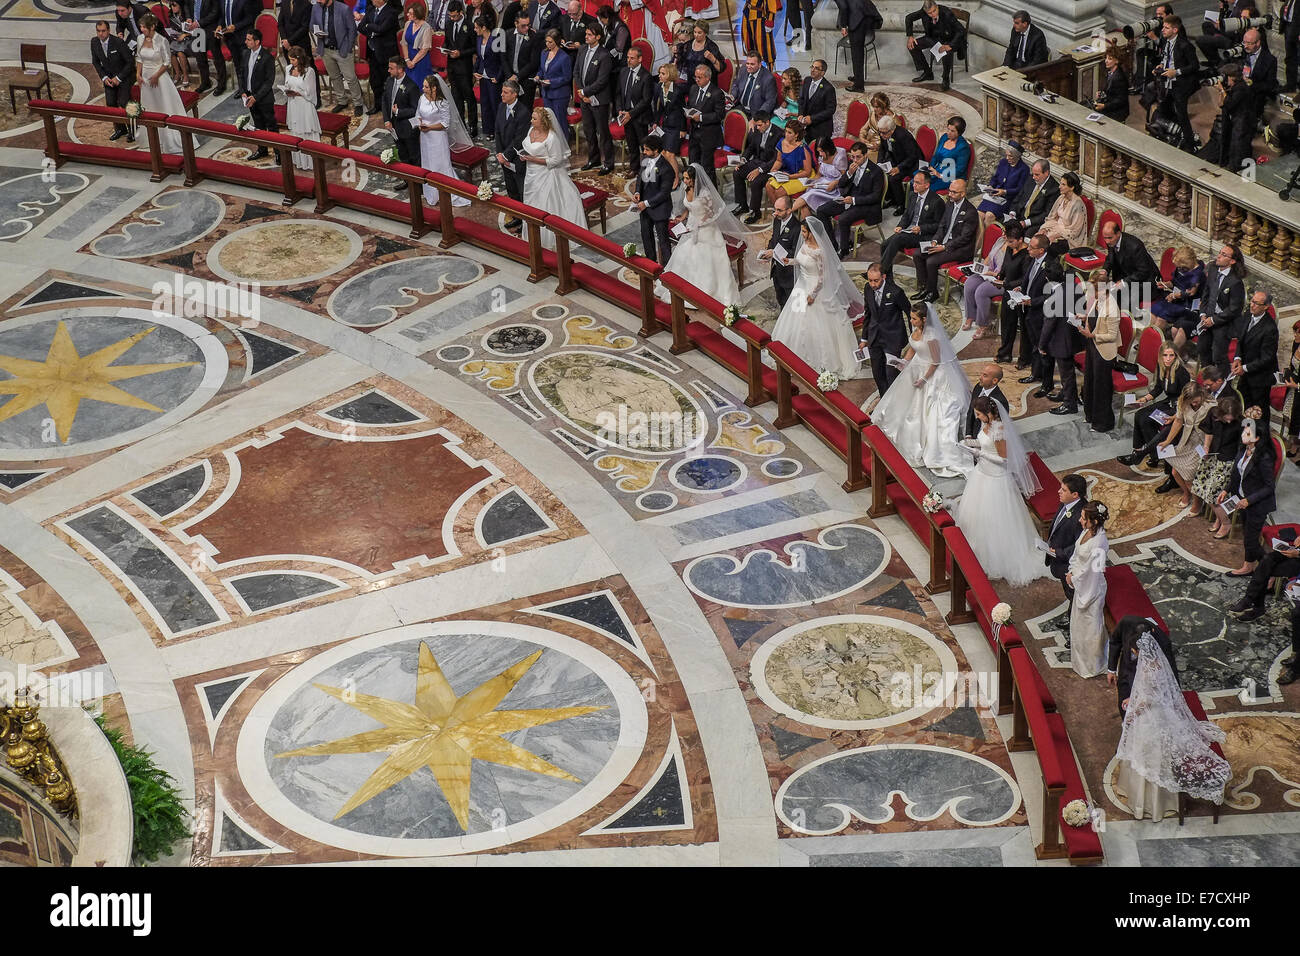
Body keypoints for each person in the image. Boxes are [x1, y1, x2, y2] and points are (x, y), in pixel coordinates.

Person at [1112, 629, 1228, 821]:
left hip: (1152, 718)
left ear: (1137, 650)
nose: (1133, 653)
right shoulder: (1158, 664)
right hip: (1162, 713)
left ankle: (1149, 804)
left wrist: (1132, 711)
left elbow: (1148, 700)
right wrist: (1132, 699)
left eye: (1133, 650)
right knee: (1158, 758)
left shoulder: (1148, 670)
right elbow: (1152, 693)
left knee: (1149, 757)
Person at [952, 396, 1049, 587]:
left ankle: (995, 554)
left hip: (996, 477)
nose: (977, 417)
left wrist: (980, 454)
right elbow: (985, 443)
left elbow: (1004, 460)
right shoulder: (986, 425)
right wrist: (971, 445)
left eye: (979, 414)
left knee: (995, 516)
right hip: (982, 473)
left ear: (989, 414)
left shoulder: (999, 431)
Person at [870, 302, 971, 477]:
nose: (911, 320)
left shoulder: (932, 336)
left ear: (924, 319)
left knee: (923, 409)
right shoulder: (916, 329)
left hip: (932, 374)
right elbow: (913, 348)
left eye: (914, 318)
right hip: (916, 366)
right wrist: (903, 362)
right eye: (911, 317)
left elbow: (936, 361)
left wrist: (924, 379)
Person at [768, 218, 862, 380]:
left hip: (816, 291)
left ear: (812, 233)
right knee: (796, 321)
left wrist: (813, 294)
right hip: (801, 286)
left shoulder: (820, 252)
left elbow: (822, 277)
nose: (802, 234)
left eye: (805, 231)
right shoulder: (805, 244)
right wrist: (789, 261)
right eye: (803, 231)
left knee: (818, 325)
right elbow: (801, 260)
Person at [659, 163, 745, 304]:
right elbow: (689, 207)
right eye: (684, 178)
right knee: (684, 253)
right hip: (691, 226)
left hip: (707, 230)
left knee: (703, 257)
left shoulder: (705, 194)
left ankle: (706, 292)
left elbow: (711, 214)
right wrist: (683, 217)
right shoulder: (686, 188)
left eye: (687, 178)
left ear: (695, 179)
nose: (684, 181)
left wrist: (699, 225)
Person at [1215, 415, 1277, 571]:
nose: (1243, 435)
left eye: (1247, 434)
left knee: (1250, 541)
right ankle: (1248, 566)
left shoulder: (1264, 458)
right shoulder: (1243, 449)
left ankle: (1269, 568)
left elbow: (1270, 487)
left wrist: (1249, 500)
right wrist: (1226, 490)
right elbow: (1237, 474)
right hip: (1242, 498)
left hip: (1257, 504)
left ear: (1256, 438)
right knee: (1247, 537)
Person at [522, 107, 586, 249]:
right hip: (531, 175)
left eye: (534, 118)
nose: (531, 120)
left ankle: (548, 239)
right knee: (531, 203)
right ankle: (532, 234)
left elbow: (555, 160)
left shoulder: (552, 138)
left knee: (547, 203)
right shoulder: (530, 130)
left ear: (543, 121)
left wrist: (533, 159)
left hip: (547, 175)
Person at [1119, 344, 1191, 467]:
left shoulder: (1181, 372)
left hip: (1178, 407)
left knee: (1148, 420)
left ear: (1175, 356)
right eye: (1165, 355)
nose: (1168, 359)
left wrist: (1176, 414)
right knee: (1139, 414)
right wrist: (1144, 399)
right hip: (1168, 402)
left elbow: (1186, 398)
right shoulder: (1161, 367)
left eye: (1171, 355)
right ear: (1160, 356)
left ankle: (1146, 455)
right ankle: (1139, 451)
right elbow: (1158, 389)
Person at [1007, 233, 1061, 386]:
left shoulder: (1051, 266)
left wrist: (1033, 302)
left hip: (1040, 311)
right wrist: (1021, 288)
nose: (1028, 249)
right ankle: (1035, 373)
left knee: (1041, 346)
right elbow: (1029, 279)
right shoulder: (1034, 259)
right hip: (1027, 307)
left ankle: (1045, 379)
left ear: (1042, 250)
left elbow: (1053, 294)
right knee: (1032, 343)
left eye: (1032, 247)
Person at [910, 178, 976, 302]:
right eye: (949, 191)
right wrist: (935, 241)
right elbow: (942, 225)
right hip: (943, 242)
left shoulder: (970, 212)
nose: (949, 194)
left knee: (931, 261)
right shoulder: (950, 204)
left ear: (962, 194)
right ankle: (924, 287)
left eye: (954, 192)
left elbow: (964, 238)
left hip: (960, 248)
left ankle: (932, 292)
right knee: (918, 254)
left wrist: (944, 247)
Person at [815, 141, 884, 256]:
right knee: (821, 210)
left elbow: (875, 197)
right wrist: (849, 174)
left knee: (843, 219)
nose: (855, 160)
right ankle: (832, 244)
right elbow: (841, 184)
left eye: (858, 157)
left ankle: (844, 249)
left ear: (865, 155)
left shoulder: (876, 171)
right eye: (852, 156)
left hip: (866, 204)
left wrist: (853, 200)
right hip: (848, 198)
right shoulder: (852, 165)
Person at [416, 75, 474, 207]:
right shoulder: (422, 98)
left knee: (439, 165)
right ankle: (431, 194)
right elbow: (418, 114)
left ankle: (446, 191)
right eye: (423, 86)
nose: (423, 88)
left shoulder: (442, 103)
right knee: (427, 163)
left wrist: (429, 127)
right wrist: (419, 123)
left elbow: (445, 123)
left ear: (434, 88)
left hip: (437, 138)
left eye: (426, 87)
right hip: (425, 138)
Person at [1069, 500, 1111, 679]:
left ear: (1093, 521)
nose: (1080, 520)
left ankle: (1093, 665)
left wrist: (1074, 578)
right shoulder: (1087, 531)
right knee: (1079, 627)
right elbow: (1078, 554)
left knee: (1091, 628)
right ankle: (1080, 661)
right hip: (1081, 581)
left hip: (1091, 589)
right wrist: (1071, 571)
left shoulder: (1100, 544)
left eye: (1083, 518)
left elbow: (1093, 572)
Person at [961, 221, 1026, 336]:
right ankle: (970, 316)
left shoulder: (1015, 248)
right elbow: (989, 257)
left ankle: (983, 324)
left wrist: (996, 276)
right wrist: (982, 269)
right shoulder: (1001, 241)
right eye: (1004, 231)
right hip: (991, 273)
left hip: (1004, 280)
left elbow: (1011, 273)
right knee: (970, 283)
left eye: (1005, 232)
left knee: (981, 291)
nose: (1003, 234)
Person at [135, 15, 185, 155]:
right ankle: (151, 139)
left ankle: (169, 139)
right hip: (145, 79)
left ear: (152, 27)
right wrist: (138, 74)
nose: (142, 29)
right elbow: (139, 57)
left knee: (164, 106)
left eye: (144, 27)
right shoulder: (140, 39)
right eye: (141, 27)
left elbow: (167, 62)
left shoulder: (162, 41)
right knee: (150, 107)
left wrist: (156, 75)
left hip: (159, 78)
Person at [879, 169, 943, 276]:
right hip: (909, 231)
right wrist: (900, 226)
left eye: (918, 183)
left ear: (927, 185)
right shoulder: (912, 195)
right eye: (914, 181)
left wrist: (921, 228)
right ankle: (887, 276)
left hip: (924, 235)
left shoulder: (937, 201)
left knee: (897, 239)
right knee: (884, 245)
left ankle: (880, 273)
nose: (914, 185)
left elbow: (939, 226)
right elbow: (907, 215)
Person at [1078, 267, 1120, 432]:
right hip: (1093, 347)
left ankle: (1103, 423)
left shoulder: (1112, 308)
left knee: (1101, 387)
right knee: (1090, 382)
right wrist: (1083, 317)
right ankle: (1090, 415)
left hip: (1104, 351)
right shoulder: (1098, 300)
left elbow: (1111, 335)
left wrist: (1092, 335)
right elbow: (1094, 318)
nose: (1092, 295)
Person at [1037, 264, 1082, 414]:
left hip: (1062, 339)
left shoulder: (1055, 298)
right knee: (1068, 372)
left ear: (1047, 279)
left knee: (1066, 373)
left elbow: (1049, 325)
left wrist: (1041, 345)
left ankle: (1069, 404)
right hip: (1075, 334)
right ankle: (1067, 394)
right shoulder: (1073, 286)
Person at [1230, 526, 1300, 622]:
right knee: (1267, 560)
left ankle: (1252, 602)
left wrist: (1298, 554)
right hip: (1295, 551)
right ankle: (1251, 601)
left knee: (1264, 570)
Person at [1232, 290, 1280, 430]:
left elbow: (1267, 358)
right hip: (1246, 371)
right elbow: (1240, 340)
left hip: (1260, 377)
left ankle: (1260, 437)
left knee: (1259, 410)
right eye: (1251, 301)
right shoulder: (1248, 315)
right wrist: (1237, 357)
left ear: (1265, 307)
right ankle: (1245, 431)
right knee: (1244, 403)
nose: (1251, 305)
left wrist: (1244, 368)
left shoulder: (1270, 329)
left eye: (1256, 303)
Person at [1156, 383, 1210, 506]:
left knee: (1188, 477)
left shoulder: (1211, 406)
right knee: (1175, 472)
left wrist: (1207, 447)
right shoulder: (1183, 402)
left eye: (1196, 401)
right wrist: (1168, 441)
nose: (1193, 404)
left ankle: (1197, 503)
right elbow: (1179, 421)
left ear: (1201, 395)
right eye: (1191, 402)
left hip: (1202, 443)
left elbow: (1212, 431)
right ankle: (1187, 493)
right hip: (1188, 440)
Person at [1195, 243, 1246, 371]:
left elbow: (1234, 309)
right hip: (1208, 316)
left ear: (1232, 261)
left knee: (1218, 355)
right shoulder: (1212, 268)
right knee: (1202, 348)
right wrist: (1203, 314)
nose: (1219, 256)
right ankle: (1207, 378)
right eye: (1220, 253)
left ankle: (1223, 382)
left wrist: (1213, 320)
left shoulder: (1236, 282)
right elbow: (1206, 293)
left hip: (1224, 322)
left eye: (1224, 255)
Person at [1189, 388, 1243, 509]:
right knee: (1200, 483)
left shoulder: (1241, 422)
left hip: (1227, 459)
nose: (1229, 421)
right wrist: (1206, 447)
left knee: (1214, 492)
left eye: (1231, 418)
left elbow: (1241, 447)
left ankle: (1222, 520)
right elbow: (1209, 431)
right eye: (1226, 418)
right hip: (1213, 454)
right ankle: (1203, 508)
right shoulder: (1213, 413)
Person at [859, 262, 908, 392]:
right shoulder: (867, 288)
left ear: (884, 277)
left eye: (876, 280)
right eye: (870, 280)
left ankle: (893, 405)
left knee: (890, 374)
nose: (873, 284)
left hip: (893, 338)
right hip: (874, 337)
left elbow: (910, 313)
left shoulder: (896, 292)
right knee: (877, 374)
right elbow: (868, 313)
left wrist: (915, 337)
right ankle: (883, 403)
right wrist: (864, 338)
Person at [1152, 15, 1198, 152]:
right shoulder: (1166, 42)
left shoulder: (1185, 46)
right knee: (1163, 108)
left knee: (1182, 115)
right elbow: (1166, 58)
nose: (1163, 30)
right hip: (1167, 83)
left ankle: (1190, 145)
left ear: (1175, 30)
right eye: (1163, 27)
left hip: (1180, 85)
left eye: (1166, 28)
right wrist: (1160, 66)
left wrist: (1176, 72)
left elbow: (1194, 66)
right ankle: (1166, 134)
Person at [312, 0, 364, 117]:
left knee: (350, 78)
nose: (318, 1)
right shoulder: (316, 8)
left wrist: (348, 47)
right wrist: (317, 32)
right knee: (334, 77)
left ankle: (358, 103)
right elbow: (312, 25)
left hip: (342, 49)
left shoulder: (343, 9)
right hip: (326, 49)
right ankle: (342, 101)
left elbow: (352, 30)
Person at [1149, 246, 1204, 351]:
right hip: (1175, 299)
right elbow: (1175, 282)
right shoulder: (1183, 268)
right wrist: (1166, 284)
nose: (1178, 269)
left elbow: (1190, 292)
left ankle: (1153, 347)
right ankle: (1149, 339)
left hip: (1188, 304)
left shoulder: (1198, 274)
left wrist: (1174, 295)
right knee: (1155, 310)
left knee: (1161, 317)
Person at [576, 26, 615, 173]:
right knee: (589, 131)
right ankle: (594, 158)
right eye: (586, 34)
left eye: (590, 34)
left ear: (598, 37)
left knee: (603, 132)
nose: (586, 37)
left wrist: (586, 92)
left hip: (599, 99)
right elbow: (577, 72)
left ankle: (609, 162)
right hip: (584, 98)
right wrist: (581, 92)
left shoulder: (604, 55)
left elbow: (602, 80)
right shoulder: (582, 50)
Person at [1203, 63, 1254, 175]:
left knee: (1238, 145)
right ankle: (1226, 163)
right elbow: (1221, 104)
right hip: (1232, 119)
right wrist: (1222, 91)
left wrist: (1222, 91)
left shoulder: (1241, 88)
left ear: (1231, 77)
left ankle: (1236, 167)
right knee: (1227, 141)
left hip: (1243, 121)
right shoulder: (1231, 87)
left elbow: (1230, 104)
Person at [905, 0, 965, 91]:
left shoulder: (946, 13)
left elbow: (961, 30)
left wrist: (950, 45)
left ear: (937, 7)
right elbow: (908, 18)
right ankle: (927, 72)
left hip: (949, 39)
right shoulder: (923, 12)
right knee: (912, 45)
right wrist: (910, 36)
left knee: (946, 52)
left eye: (934, 11)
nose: (933, 14)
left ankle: (945, 78)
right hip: (933, 38)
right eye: (929, 13)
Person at [1100, 221, 1158, 314]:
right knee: (1108, 294)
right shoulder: (1111, 240)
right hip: (1127, 275)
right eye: (1105, 238)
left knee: (1126, 302)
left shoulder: (1135, 246)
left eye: (1110, 238)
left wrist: (1124, 282)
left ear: (1118, 234)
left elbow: (1144, 271)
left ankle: (1128, 323)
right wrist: (1105, 269)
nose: (1107, 241)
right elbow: (1110, 257)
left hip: (1144, 282)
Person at [731, 111, 778, 224]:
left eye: (760, 125)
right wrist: (743, 160)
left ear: (767, 122)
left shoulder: (778, 134)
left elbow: (776, 159)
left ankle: (755, 212)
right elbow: (751, 148)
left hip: (770, 166)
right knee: (737, 172)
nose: (757, 127)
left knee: (756, 181)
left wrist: (759, 170)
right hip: (757, 161)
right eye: (756, 125)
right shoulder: (757, 130)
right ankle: (743, 205)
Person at [633, 134, 674, 264]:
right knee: (646, 235)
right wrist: (637, 191)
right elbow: (640, 177)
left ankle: (668, 268)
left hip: (659, 208)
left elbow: (664, 193)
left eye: (646, 150)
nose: (644, 152)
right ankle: (650, 264)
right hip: (645, 208)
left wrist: (646, 203)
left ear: (656, 150)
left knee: (663, 240)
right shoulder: (645, 160)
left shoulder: (666, 169)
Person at [92, 21, 135, 142]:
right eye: (98, 31)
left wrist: (119, 78)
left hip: (124, 76)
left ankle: (133, 129)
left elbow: (130, 62)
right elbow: (95, 62)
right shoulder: (94, 42)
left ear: (108, 30)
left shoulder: (118, 42)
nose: (101, 34)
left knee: (124, 102)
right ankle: (121, 129)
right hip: (109, 78)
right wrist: (104, 77)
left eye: (103, 31)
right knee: (111, 104)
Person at [1046, 474, 1086, 600]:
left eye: (1063, 490)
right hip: (1058, 559)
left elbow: (1080, 544)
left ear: (1075, 495)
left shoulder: (1081, 516)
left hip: (1067, 564)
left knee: (1073, 595)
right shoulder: (1066, 502)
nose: (1059, 492)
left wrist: (1059, 552)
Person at [684, 63, 724, 184]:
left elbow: (720, 115)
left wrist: (701, 117)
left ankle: (710, 194)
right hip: (694, 133)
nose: (696, 80)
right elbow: (690, 105)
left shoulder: (717, 93)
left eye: (699, 77)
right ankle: (694, 189)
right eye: (695, 77)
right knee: (693, 165)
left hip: (709, 135)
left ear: (708, 78)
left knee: (707, 167)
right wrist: (688, 112)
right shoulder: (693, 88)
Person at [495, 80, 531, 211]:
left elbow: (519, 139)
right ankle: (516, 215)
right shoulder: (501, 107)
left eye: (505, 92)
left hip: (516, 157)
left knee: (520, 189)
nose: (502, 95)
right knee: (510, 188)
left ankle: (525, 218)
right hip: (503, 156)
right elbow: (497, 131)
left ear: (514, 94)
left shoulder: (523, 112)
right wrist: (500, 153)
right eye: (502, 91)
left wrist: (506, 155)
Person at [358, 0, 400, 113]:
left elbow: (382, 29)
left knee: (389, 82)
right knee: (375, 81)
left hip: (386, 53)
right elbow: (361, 27)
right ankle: (378, 105)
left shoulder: (391, 12)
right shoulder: (371, 10)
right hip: (372, 52)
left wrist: (369, 26)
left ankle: (390, 108)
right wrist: (372, 31)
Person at [761, 194, 802, 310]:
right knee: (781, 299)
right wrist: (768, 253)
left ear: (789, 210)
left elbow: (796, 253)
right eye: (775, 209)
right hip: (776, 270)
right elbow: (774, 238)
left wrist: (774, 253)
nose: (775, 213)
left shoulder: (797, 228)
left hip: (789, 274)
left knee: (793, 304)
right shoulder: (777, 220)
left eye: (779, 210)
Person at [615, 46, 651, 174]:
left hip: (639, 116)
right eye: (628, 58)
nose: (629, 60)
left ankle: (647, 170)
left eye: (632, 58)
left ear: (640, 59)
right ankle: (634, 168)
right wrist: (620, 109)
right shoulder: (624, 72)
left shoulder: (646, 76)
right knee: (631, 144)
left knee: (644, 146)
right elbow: (619, 93)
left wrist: (631, 113)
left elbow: (646, 100)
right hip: (626, 115)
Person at [977, 141, 1029, 231]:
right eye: (1006, 155)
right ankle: (975, 239)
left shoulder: (1024, 169)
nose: (1007, 158)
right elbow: (995, 177)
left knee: (989, 215)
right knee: (979, 214)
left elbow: (1020, 189)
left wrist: (1004, 191)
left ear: (1017, 156)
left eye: (1010, 156)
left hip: (1007, 199)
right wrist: (991, 186)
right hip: (993, 195)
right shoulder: (1003, 162)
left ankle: (984, 241)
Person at [283, 46, 320, 170]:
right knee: (296, 131)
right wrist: (287, 91)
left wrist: (298, 93)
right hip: (293, 105)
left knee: (307, 132)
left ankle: (311, 162)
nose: (291, 62)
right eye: (290, 59)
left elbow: (310, 92)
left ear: (300, 59)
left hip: (304, 105)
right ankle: (300, 161)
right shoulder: (288, 68)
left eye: (293, 60)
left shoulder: (309, 71)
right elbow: (286, 84)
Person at [383, 57, 421, 175]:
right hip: (393, 127)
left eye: (391, 68)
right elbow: (384, 101)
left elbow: (415, 109)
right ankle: (407, 180)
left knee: (414, 156)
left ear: (400, 70)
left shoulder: (411, 86)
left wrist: (399, 112)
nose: (388, 70)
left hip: (407, 128)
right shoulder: (389, 81)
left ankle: (418, 184)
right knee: (402, 154)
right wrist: (386, 120)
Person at [791, 138, 849, 216]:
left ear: (829, 148)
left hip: (834, 188)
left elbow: (845, 177)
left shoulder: (840, 156)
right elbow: (819, 174)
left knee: (810, 195)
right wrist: (811, 181)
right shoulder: (821, 156)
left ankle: (786, 213)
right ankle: (807, 226)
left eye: (822, 151)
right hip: (821, 183)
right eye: (818, 151)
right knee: (804, 206)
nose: (820, 154)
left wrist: (835, 183)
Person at [877, 115, 924, 212]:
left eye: (884, 133)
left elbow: (912, 156)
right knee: (881, 173)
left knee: (894, 178)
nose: (881, 135)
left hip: (912, 164)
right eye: (880, 132)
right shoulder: (883, 132)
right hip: (896, 158)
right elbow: (882, 148)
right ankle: (891, 199)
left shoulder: (904, 136)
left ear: (892, 130)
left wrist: (899, 168)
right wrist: (879, 162)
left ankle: (901, 204)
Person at [1037, 170, 1088, 257]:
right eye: (1060, 184)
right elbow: (1052, 217)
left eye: (1063, 185)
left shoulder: (1078, 204)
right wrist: (1045, 229)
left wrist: (1057, 235)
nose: (1059, 187)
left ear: (1072, 187)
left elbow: (1075, 232)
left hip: (1069, 239)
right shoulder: (1061, 198)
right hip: (1055, 229)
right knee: (1037, 239)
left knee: (1048, 247)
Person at [764, 120, 815, 206]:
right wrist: (774, 169)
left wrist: (790, 177)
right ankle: (778, 211)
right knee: (768, 185)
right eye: (786, 131)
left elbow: (807, 172)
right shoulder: (782, 142)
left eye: (789, 133)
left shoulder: (803, 149)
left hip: (802, 176)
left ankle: (785, 214)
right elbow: (779, 161)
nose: (786, 134)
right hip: (788, 173)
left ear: (796, 135)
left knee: (779, 191)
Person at [838, 0, 883, 92]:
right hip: (868, 14)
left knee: (857, 53)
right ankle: (858, 77)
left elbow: (843, 7)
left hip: (858, 19)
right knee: (858, 51)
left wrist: (843, 26)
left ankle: (859, 86)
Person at [184, 0, 227, 94]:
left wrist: (199, 23)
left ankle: (222, 84)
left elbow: (215, 13)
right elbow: (187, 5)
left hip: (210, 29)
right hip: (196, 31)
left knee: (217, 59)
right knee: (200, 59)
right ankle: (205, 82)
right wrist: (188, 18)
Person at [1006, 158, 1057, 236]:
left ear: (1046, 173)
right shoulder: (1030, 179)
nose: (1033, 177)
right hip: (1019, 216)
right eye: (1033, 174)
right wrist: (1013, 212)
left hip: (1034, 222)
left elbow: (1047, 214)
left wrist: (1026, 223)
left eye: (1037, 174)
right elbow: (1019, 197)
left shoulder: (1054, 189)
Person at [537, 30, 573, 139]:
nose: (547, 44)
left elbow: (567, 77)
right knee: (549, 121)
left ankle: (563, 147)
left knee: (560, 122)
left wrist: (551, 82)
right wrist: (538, 76)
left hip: (559, 95)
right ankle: (553, 145)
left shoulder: (564, 57)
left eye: (550, 42)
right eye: (546, 41)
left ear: (557, 42)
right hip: (547, 94)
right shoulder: (544, 53)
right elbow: (541, 70)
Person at [1239, 26, 1278, 126]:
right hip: (1240, 85)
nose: (1245, 46)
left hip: (1256, 91)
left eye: (1249, 43)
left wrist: (1251, 84)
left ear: (1258, 43)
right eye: (1244, 42)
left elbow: (1270, 85)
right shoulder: (1242, 51)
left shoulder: (1270, 60)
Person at [473, 15, 502, 137]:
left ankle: (498, 132)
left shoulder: (496, 39)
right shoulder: (479, 39)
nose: (474, 30)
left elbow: (502, 60)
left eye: (476, 27)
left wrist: (499, 77)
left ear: (483, 28)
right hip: (483, 77)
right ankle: (488, 130)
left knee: (495, 105)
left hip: (494, 77)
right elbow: (479, 57)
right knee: (485, 105)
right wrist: (475, 71)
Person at [962, 363, 1009, 439]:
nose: (980, 378)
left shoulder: (1000, 401)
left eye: (985, 376)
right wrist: (968, 434)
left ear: (994, 380)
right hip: (973, 433)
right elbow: (971, 411)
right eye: (981, 374)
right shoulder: (978, 387)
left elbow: (998, 427)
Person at [505, 13, 541, 106]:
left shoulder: (534, 37)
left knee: (525, 110)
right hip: (510, 79)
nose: (526, 28)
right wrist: (509, 76)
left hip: (526, 80)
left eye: (528, 25)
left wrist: (517, 77)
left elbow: (533, 62)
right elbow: (503, 57)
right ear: (516, 24)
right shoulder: (508, 34)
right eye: (523, 26)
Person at [926, 115, 969, 193]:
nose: (948, 133)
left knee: (926, 188)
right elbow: (935, 156)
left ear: (959, 133)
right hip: (936, 170)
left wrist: (939, 175)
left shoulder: (963, 147)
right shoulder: (944, 137)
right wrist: (930, 168)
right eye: (948, 129)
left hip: (950, 177)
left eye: (952, 131)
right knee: (917, 179)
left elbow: (960, 170)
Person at [796, 60, 836, 143]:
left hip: (821, 127)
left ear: (822, 73)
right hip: (807, 126)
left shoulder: (828, 88)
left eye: (816, 68)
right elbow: (801, 99)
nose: (812, 70)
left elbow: (830, 110)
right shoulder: (807, 80)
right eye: (812, 67)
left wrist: (812, 119)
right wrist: (800, 114)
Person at [650, 63, 686, 155]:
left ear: (670, 75)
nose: (659, 76)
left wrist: (683, 129)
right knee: (663, 153)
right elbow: (660, 108)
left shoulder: (678, 91)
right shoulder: (659, 87)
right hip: (665, 125)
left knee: (669, 154)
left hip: (676, 128)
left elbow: (683, 111)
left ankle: (675, 170)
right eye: (659, 73)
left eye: (663, 74)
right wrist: (656, 122)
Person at [731, 53, 778, 120]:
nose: (748, 66)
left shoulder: (768, 79)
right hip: (740, 107)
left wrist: (757, 118)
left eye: (752, 64)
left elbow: (770, 102)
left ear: (759, 64)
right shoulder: (743, 69)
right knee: (726, 119)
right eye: (747, 63)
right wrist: (732, 96)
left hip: (756, 113)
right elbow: (736, 84)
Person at [741, 0, 779, 70]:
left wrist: (770, 21)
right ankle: (753, 68)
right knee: (749, 44)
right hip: (747, 13)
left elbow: (772, 4)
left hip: (760, 17)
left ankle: (770, 71)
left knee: (766, 47)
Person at [1094, 49, 1130, 121]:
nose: (1106, 61)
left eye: (1110, 59)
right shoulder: (1110, 72)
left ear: (1117, 61)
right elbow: (1110, 89)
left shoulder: (1119, 78)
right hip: (1110, 104)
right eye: (1106, 58)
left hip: (1117, 111)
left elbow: (1121, 100)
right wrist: (1101, 93)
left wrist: (1104, 106)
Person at [771, 67, 801, 134]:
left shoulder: (801, 92)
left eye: (785, 79)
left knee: (788, 127)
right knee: (773, 121)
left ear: (792, 79)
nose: (782, 81)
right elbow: (787, 101)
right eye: (782, 78)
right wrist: (784, 104)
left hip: (797, 115)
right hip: (787, 112)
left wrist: (792, 114)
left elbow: (806, 111)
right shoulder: (786, 88)